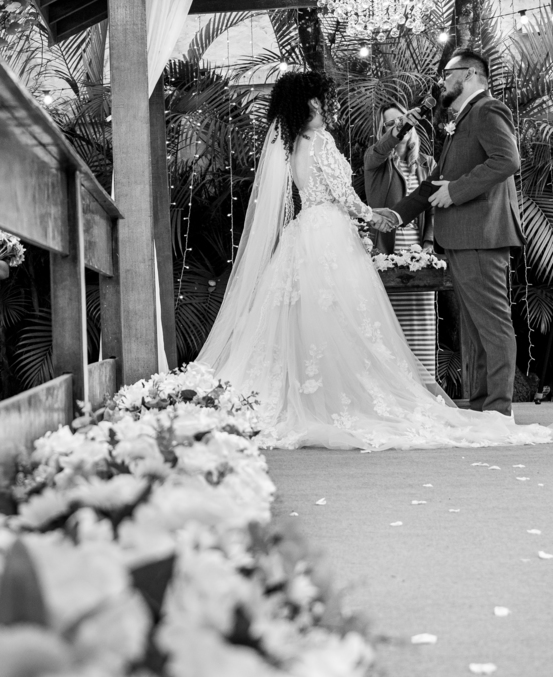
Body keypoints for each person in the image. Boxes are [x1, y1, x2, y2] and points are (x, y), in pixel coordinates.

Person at [197, 70, 550, 450]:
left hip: (304, 234)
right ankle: (340, 396)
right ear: (307, 106)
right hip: (330, 233)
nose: (324, 109)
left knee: (307, 318)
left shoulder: (290, 145)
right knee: (344, 317)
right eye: (318, 103)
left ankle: (312, 395)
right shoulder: (321, 141)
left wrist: (382, 213)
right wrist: (372, 214)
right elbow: (344, 196)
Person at [379, 50, 526, 416]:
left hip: (482, 234)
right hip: (463, 237)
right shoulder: (462, 119)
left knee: (491, 324)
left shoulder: (488, 110)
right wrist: (395, 217)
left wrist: (456, 190)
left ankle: (498, 411)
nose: (441, 81)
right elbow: (433, 183)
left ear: (472, 74)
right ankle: (481, 409)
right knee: (474, 329)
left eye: (447, 74)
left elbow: (507, 160)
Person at [363, 102, 443, 399]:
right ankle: (392, 398)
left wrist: (428, 244)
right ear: (384, 131)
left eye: (404, 121)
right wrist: (399, 128)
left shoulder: (428, 164)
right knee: (386, 330)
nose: (400, 127)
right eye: (391, 124)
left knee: (421, 328)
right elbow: (380, 149)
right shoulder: (375, 162)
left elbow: (434, 208)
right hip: (385, 258)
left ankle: (426, 396)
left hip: (419, 258)